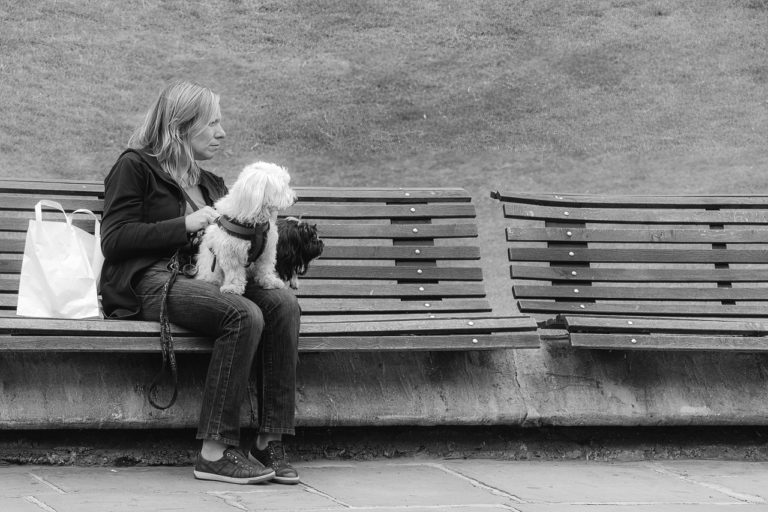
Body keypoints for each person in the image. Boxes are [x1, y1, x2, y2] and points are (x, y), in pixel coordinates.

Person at [100, 80, 301, 485]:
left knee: (282, 305)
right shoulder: (135, 166)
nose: (222, 133)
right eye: (212, 124)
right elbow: (114, 240)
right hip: (151, 282)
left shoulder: (210, 181)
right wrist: (184, 224)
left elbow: (236, 242)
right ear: (180, 127)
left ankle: (267, 440)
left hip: (208, 276)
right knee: (242, 314)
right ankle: (214, 451)